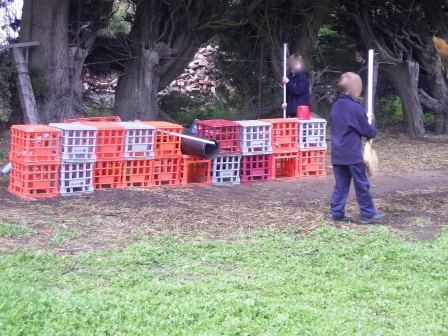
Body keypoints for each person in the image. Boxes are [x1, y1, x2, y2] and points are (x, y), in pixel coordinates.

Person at [328, 72, 386, 224]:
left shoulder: (336, 106)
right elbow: (367, 131)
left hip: (337, 154)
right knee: (361, 183)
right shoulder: (355, 107)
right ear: (355, 89)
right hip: (352, 155)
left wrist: (363, 118)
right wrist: (371, 126)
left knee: (341, 185)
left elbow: (347, 122)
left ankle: (336, 213)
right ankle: (367, 213)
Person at [281, 53, 310, 117]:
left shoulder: (302, 77)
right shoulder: (288, 77)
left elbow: (298, 91)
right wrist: (283, 102)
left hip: (301, 113)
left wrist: (288, 82)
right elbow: (285, 92)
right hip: (290, 112)